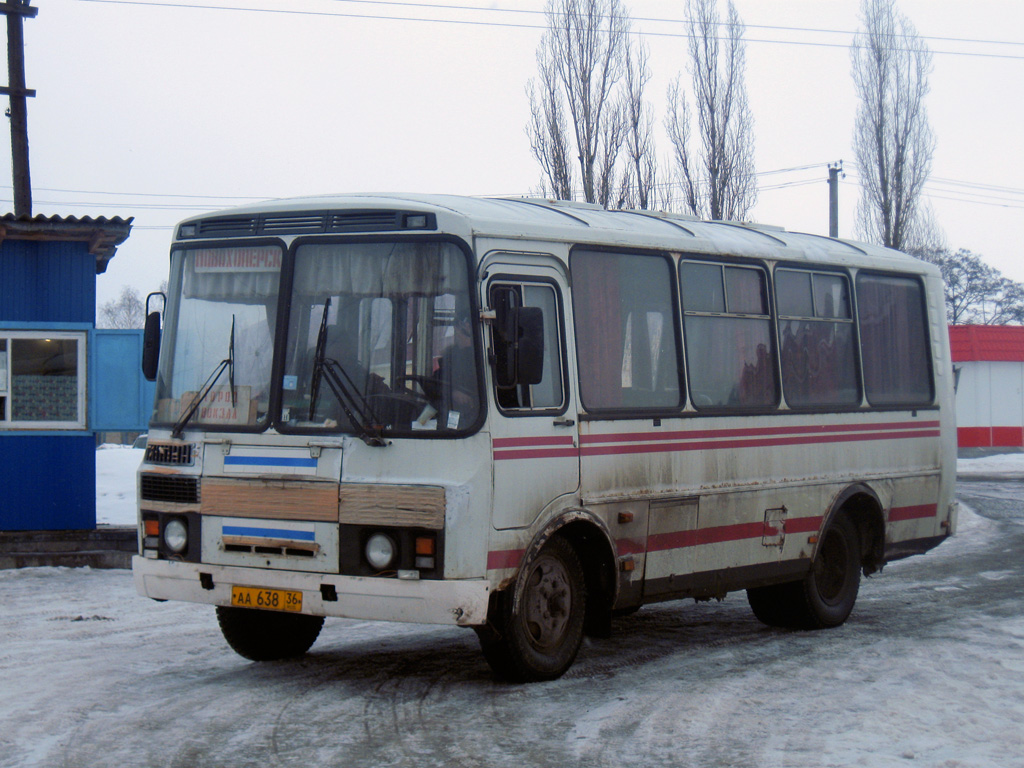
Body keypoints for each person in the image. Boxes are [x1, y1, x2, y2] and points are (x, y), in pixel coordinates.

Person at [434, 315, 479, 429]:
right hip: (447, 407)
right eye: (456, 329)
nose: (456, 333)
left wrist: (467, 395)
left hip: (473, 418)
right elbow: (437, 381)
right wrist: (452, 392)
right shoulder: (451, 357)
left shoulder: (479, 358)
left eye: (460, 329)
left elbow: (483, 390)